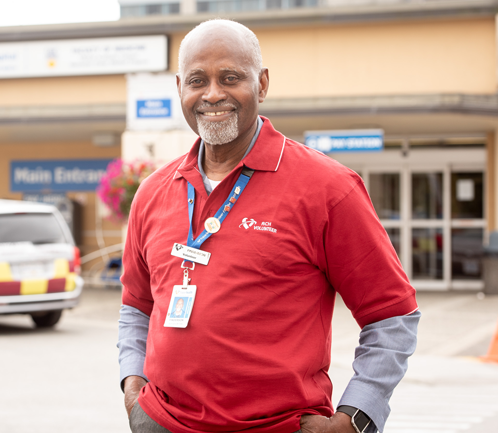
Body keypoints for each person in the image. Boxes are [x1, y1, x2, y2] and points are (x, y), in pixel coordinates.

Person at [117, 19, 420, 433]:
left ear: (261, 84)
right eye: (197, 80)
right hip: (161, 423)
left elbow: (392, 316)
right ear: (180, 90)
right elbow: (136, 305)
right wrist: (133, 388)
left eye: (230, 78)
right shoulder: (153, 191)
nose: (212, 94)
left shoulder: (329, 189)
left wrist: (356, 418)